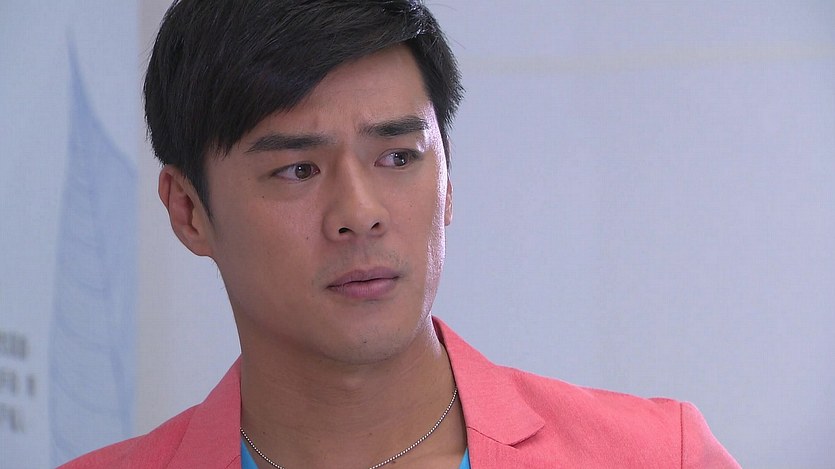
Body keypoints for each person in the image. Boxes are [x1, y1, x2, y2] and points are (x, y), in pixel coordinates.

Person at [62, 1, 740, 467]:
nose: (359, 213)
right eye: (297, 169)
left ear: (447, 181)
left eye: (397, 157)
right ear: (188, 211)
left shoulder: (657, 455)